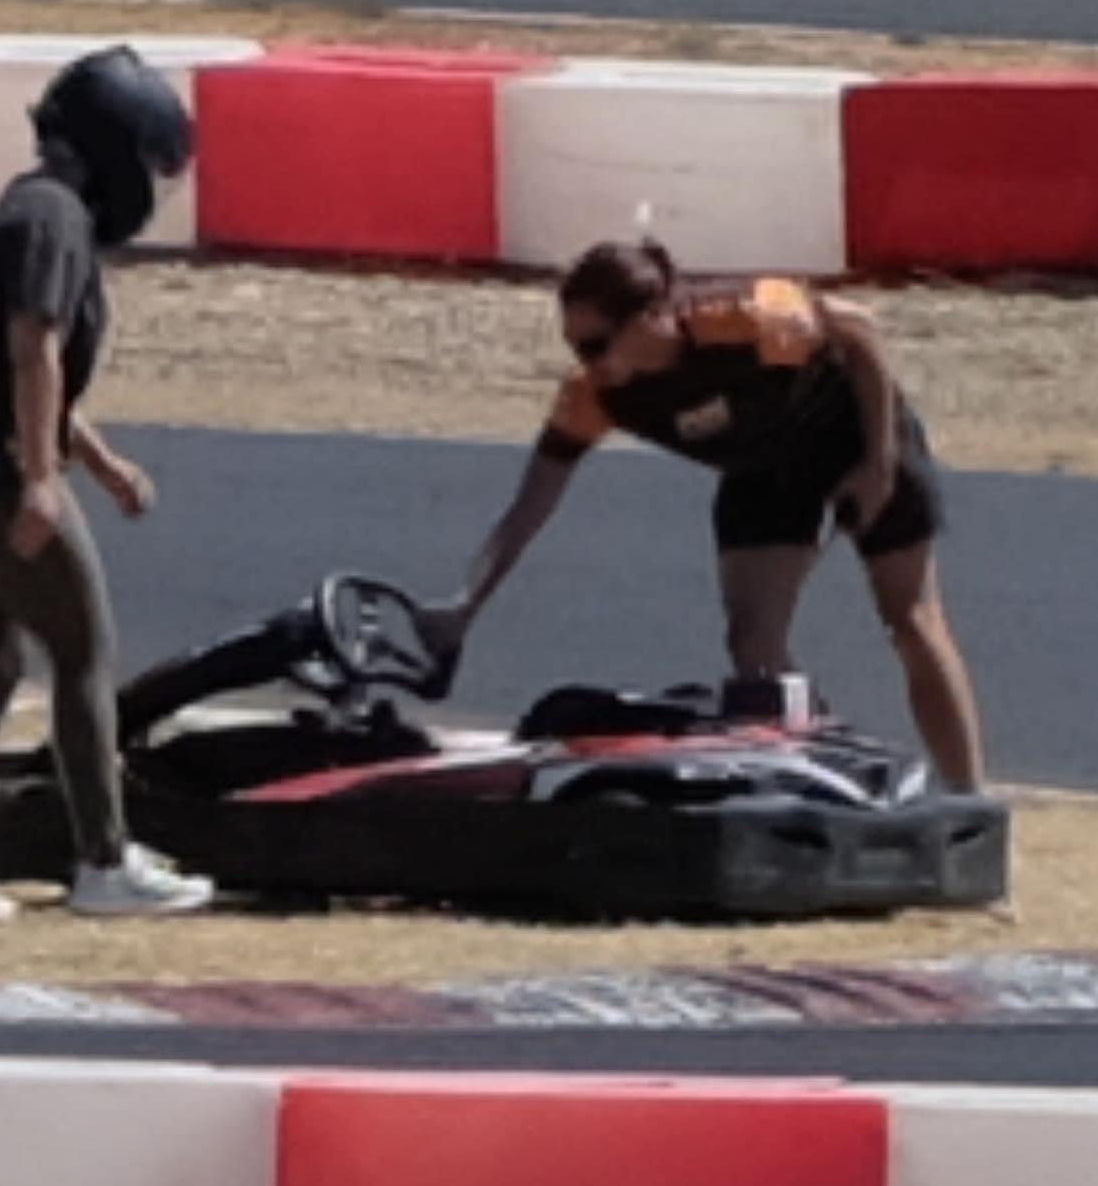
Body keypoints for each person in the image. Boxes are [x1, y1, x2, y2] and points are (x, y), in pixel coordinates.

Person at [418, 239, 987, 793]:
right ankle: (822, 779)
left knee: (910, 620)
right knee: (753, 645)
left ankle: (970, 799)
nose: (586, 363)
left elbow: (858, 328)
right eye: (574, 348)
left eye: (595, 345)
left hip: (854, 437)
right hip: (766, 471)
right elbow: (530, 505)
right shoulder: (597, 395)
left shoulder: (738, 318)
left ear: (650, 317)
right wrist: (467, 604)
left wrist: (879, 460)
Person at [0, 46, 215, 919]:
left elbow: (22, 368)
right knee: (83, 650)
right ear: (117, 153)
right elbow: (34, 348)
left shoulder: (31, 207)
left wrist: (97, 463)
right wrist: (39, 481)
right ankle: (104, 863)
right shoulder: (53, 221)